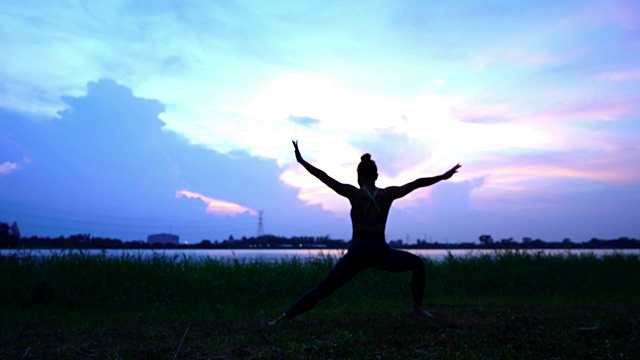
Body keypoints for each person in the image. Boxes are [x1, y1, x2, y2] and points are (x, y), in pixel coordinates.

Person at [270, 141, 461, 325]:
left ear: (358, 176)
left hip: (358, 251)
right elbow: (417, 183)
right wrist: (442, 176)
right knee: (417, 264)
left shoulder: (354, 194)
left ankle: (282, 319)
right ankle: (418, 309)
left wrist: (302, 161)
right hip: (380, 250)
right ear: (376, 176)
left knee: (322, 289)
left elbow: (324, 177)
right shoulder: (388, 194)